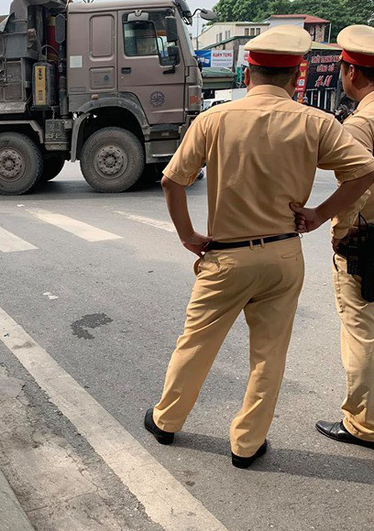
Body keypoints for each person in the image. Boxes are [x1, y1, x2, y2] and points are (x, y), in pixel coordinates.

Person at [144, 25, 374, 468]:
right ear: (297, 76)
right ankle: (246, 444)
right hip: (284, 255)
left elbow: (172, 181)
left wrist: (189, 237)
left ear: (248, 72)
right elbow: (363, 172)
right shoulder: (317, 122)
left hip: (225, 256)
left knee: (196, 343)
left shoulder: (214, 120)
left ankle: (167, 422)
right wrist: (320, 214)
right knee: (268, 354)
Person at [294, 25, 374, 449]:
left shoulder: (362, 123)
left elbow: (363, 174)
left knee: (361, 332)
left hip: (366, 241)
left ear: (352, 73)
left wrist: (322, 216)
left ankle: (364, 424)